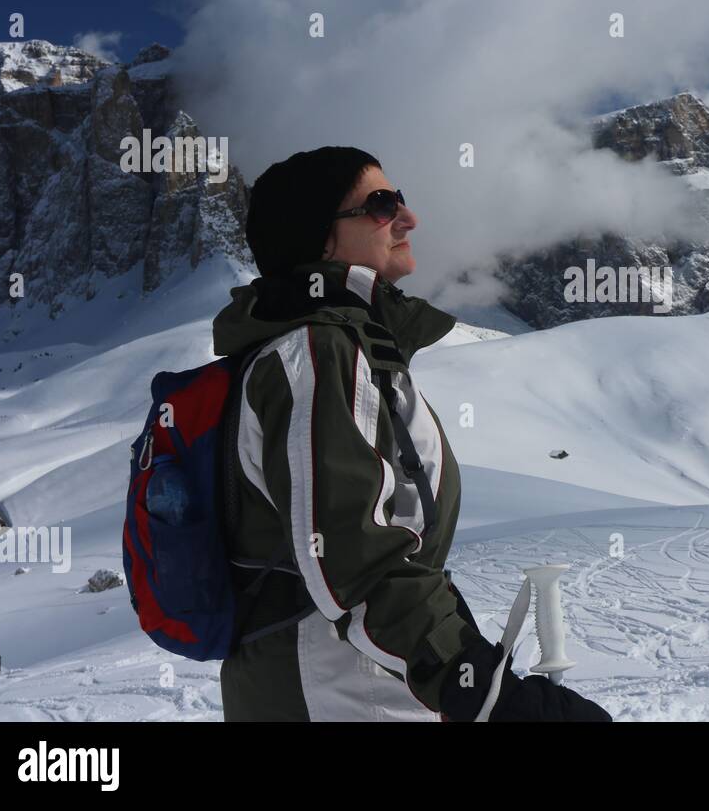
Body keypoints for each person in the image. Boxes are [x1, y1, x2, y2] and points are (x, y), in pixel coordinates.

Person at [214, 146, 610, 722]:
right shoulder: (317, 354)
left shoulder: (345, 349)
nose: (408, 217)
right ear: (322, 239)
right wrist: (486, 695)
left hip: (357, 682)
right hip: (333, 690)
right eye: (380, 204)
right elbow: (358, 560)